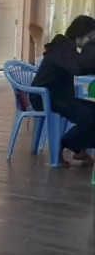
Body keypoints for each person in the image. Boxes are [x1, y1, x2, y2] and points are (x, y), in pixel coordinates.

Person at [30, 15, 95, 165]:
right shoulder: (61, 49)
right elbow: (79, 68)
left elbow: (83, 66)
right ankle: (63, 144)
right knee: (90, 118)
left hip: (60, 96)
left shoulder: (67, 48)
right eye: (91, 36)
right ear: (82, 33)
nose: (92, 40)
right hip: (45, 98)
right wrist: (90, 46)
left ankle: (79, 149)